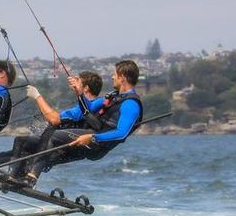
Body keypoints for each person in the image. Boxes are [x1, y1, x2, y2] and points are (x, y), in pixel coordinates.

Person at [0, 70, 104, 175]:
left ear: (86, 88)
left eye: (78, 82)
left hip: (55, 148)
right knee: (7, 154)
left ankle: (12, 175)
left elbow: (53, 118)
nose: (74, 83)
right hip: (51, 142)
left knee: (17, 147)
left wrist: (37, 96)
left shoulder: (91, 104)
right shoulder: (85, 104)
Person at [15, 60, 143, 185]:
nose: (112, 77)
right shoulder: (113, 96)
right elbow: (89, 109)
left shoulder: (131, 104)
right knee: (36, 140)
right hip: (91, 135)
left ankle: (31, 178)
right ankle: (17, 175)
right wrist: (79, 93)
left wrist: (93, 137)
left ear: (123, 78)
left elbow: (121, 133)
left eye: (115, 74)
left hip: (98, 143)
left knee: (53, 136)